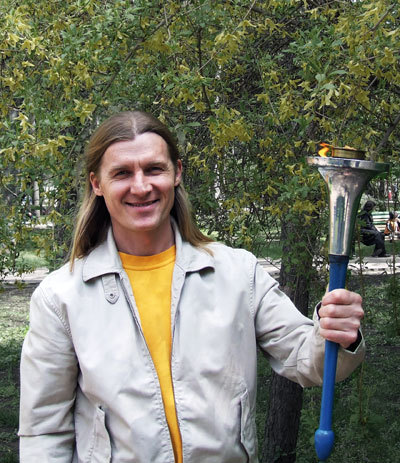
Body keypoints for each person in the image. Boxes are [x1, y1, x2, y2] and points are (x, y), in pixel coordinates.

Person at [19, 111, 365, 462]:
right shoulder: (61, 297)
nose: (141, 186)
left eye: (154, 169)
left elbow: (310, 361)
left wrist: (336, 334)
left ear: (177, 173)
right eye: (122, 173)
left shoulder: (237, 273)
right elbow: (44, 431)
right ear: (97, 184)